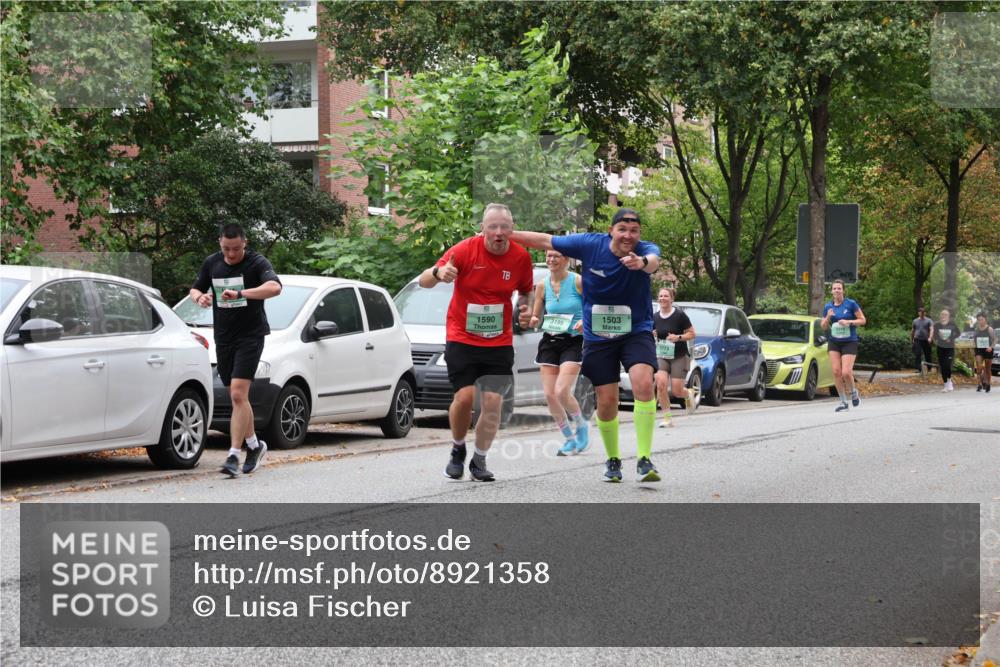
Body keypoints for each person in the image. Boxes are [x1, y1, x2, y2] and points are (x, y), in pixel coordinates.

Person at [512, 208, 662, 483]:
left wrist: (641, 262)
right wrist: (506, 233)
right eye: (623, 230)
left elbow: (653, 261)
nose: (628, 236)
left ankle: (644, 459)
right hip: (598, 336)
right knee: (607, 400)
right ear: (611, 230)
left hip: (635, 330)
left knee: (643, 383)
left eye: (634, 231)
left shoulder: (645, 250)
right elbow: (546, 241)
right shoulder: (589, 244)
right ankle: (613, 459)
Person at [419, 203, 533, 482]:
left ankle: (479, 459)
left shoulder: (520, 257)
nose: (498, 233)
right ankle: (458, 448)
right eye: (492, 226)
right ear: (482, 228)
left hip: (498, 341)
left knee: (493, 402)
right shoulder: (463, 250)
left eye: (504, 227)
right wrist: (438, 273)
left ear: (512, 229)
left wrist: (527, 309)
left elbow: (526, 291)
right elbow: (424, 281)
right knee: (465, 397)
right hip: (462, 336)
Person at [191, 224, 282, 477]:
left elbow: (274, 288)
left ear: (245, 243)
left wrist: (242, 293)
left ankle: (233, 454)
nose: (230, 254)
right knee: (238, 397)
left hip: (250, 336)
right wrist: (200, 298)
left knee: (238, 395)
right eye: (226, 249)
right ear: (220, 242)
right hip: (224, 337)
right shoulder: (212, 263)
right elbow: (195, 288)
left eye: (236, 249)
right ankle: (255, 445)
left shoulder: (256, 262)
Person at [527, 249, 588, 456]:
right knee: (550, 395)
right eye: (548, 256)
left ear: (566, 259)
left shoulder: (578, 281)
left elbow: (592, 307)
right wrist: (534, 320)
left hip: (573, 341)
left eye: (556, 256)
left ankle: (581, 426)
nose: (551, 259)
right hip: (550, 340)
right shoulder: (543, 285)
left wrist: (584, 321)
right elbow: (536, 315)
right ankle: (569, 439)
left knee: (562, 391)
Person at [820, 278, 866, 412]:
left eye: (839, 288)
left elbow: (863, 320)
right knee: (836, 372)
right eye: (834, 288)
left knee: (846, 372)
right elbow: (823, 326)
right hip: (834, 341)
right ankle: (843, 402)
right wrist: (828, 317)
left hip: (849, 341)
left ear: (843, 290)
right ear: (831, 291)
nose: (837, 290)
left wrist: (849, 322)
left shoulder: (851, 304)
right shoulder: (828, 306)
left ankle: (853, 392)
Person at [653, 287, 696, 428]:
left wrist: (678, 337)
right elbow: (651, 332)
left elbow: (692, 334)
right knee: (661, 384)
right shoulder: (655, 317)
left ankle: (688, 394)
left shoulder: (679, 316)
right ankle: (667, 418)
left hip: (679, 355)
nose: (663, 298)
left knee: (677, 391)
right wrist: (652, 334)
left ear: (672, 299)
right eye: (660, 296)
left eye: (666, 296)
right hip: (661, 355)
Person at [933, 308, 960, 392]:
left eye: (945, 314)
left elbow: (958, 333)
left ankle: (949, 381)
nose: (943, 316)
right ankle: (945, 385)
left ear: (948, 316)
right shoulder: (937, 325)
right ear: (940, 316)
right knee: (942, 366)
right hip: (940, 347)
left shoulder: (952, 324)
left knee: (947, 365)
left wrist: (951, 338)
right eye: (942, 314)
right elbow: (934, 335)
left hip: (949, 347)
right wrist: (936, 339)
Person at [971, 312, 996, 393]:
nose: (980, 321)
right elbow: (974, 339)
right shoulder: (976, 329)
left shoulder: (989, 329)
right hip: (979, 350)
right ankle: (979, 384)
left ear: (985, 319)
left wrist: (991, 347)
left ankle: (988, 384)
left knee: (988, 369)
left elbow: (995, 340)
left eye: (982, 319)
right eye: (979, 320)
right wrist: (974, 345)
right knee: (979, 367)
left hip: (988, 350)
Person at [911, 307, 934, 374]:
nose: (922, 314)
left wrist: (930, 337)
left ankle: (929, 368)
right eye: (921, 313)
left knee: (928, 354)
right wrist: (912, 338)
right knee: (918, 353)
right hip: (917, 339)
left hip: (926, 340)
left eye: (923, 313)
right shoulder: (915, 321)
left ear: (925, 313)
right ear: (918, 313)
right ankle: (918, 369)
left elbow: (932, 329)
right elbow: (913, 330)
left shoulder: (929, 320)